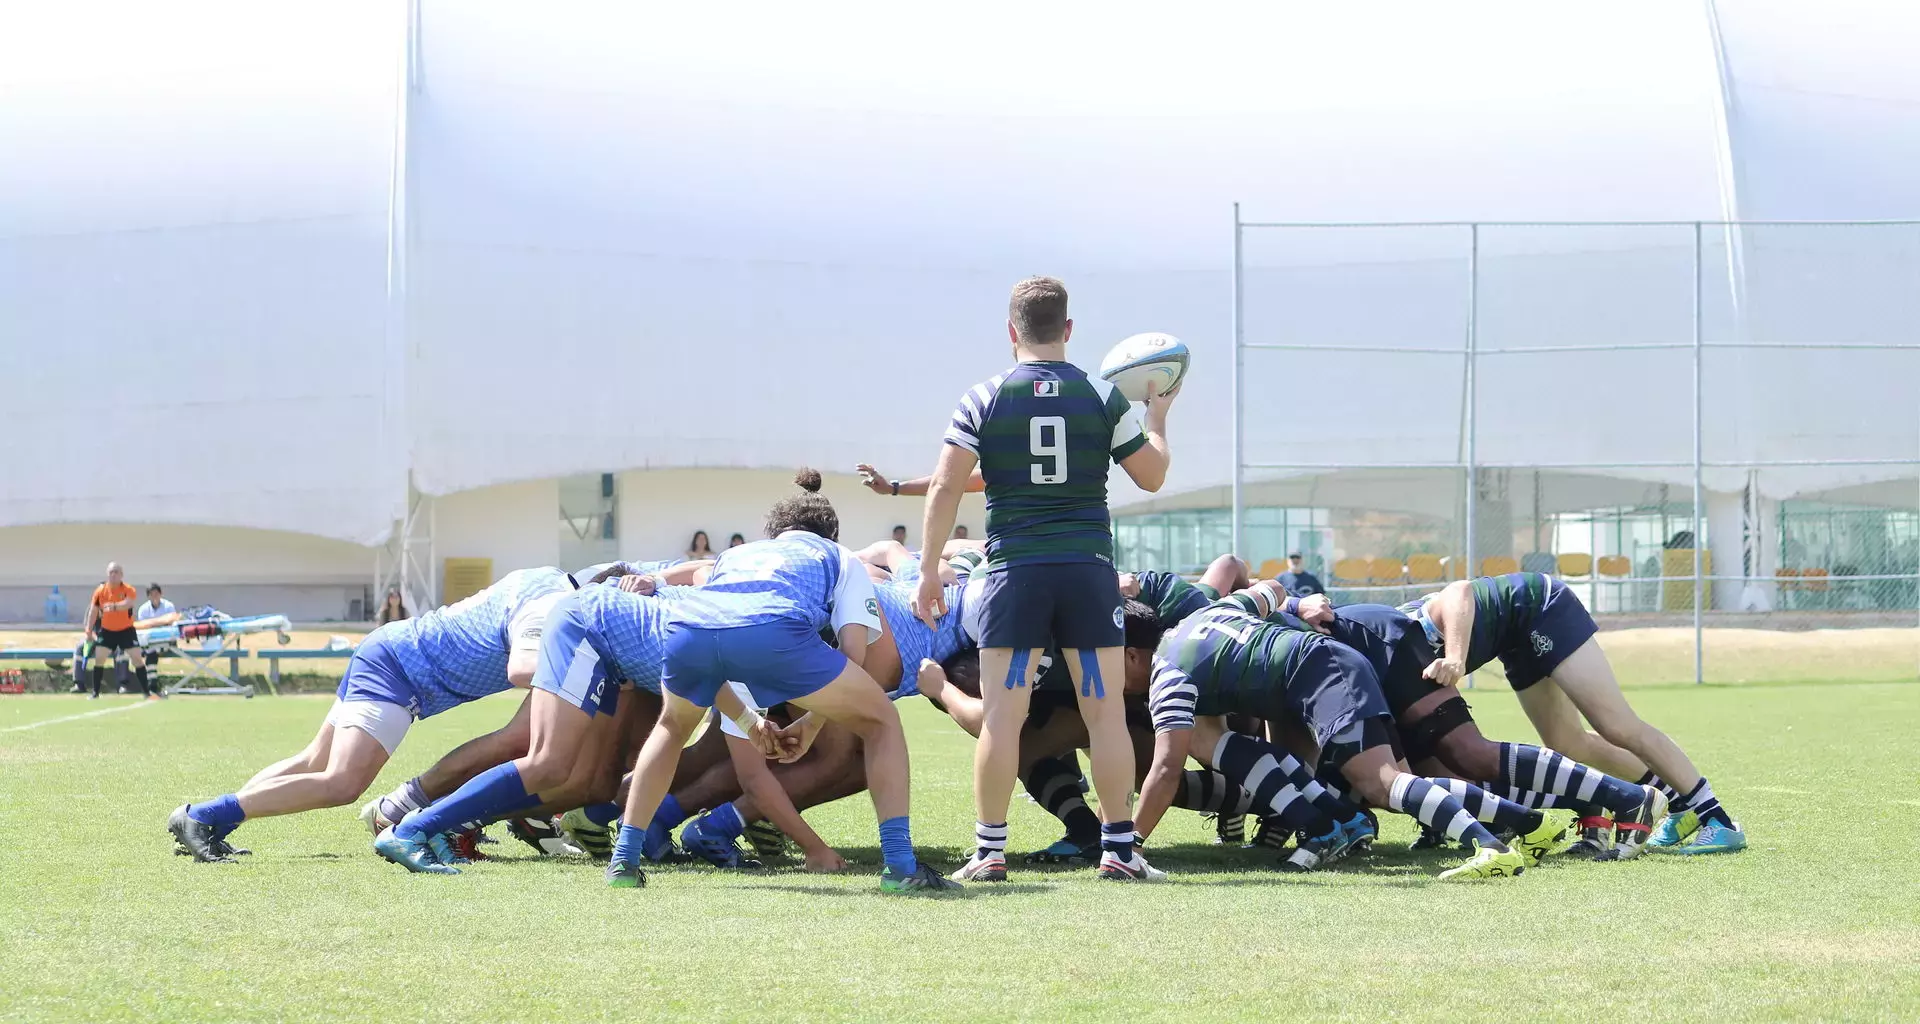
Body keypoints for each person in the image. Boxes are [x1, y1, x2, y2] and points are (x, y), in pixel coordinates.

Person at [912, 275, 1176, 883]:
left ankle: (990, 852)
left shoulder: (982, 397)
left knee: (1003, 716)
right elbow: (1153, 476)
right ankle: (1119, 851)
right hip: (1087, 573)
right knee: (1105, 713)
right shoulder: (1103, 398)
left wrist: (929, 568)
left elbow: (947, 485)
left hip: (1015, 573)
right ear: (1069, 330)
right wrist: (1157, 416)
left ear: (1011, 332)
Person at [605, 471, 958, 892]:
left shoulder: (736, 555)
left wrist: (753, 724)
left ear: (774, 533)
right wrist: (810, 725)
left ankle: (623, 862)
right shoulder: (839, 556)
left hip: (687, 632)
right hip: (774, 629)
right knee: (881, 721)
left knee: (671, 728)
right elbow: (853, 654)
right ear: (831, 533)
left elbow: (718, 643)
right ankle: (901, 867)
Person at [1129, 581, 1543, 881]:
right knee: (1392, 785)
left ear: (1131, 654)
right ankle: (1529, 823)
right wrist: (1296, 602)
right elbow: (1271, 588)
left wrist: (1128, 844)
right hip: (1328, 664)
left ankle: (1493, 847)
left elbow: (1166, 769)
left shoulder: (1167, 675)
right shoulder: (1205, 613)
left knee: (1383, 785)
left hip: (1323, 673)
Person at [168, 567, 575, 862]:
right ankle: (203, 816)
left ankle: (213, 823)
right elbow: (520, 670)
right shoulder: (552, 605)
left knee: (313, 761)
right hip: (401, 669)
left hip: (393, 652)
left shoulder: (552, 579)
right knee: (341, 783)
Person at [1287, 598, 1668, 860]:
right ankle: (1575, 801)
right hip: (1345, 669)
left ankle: (1628, 796)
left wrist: (1290, 603)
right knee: (1419, 781)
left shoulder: (1236, 617)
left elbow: (1236, 570)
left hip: (1378, 643)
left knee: (1469, 752)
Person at [1406, 571, 1747, 855]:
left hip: (1539, 607)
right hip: (1513, 639)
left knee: (1617, 724)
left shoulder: (1385, 638)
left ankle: (1717, 820)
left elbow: (1458, 591)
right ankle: (1678, 803)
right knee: (1566, 744)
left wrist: (1454, 656)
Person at [84, 563, 151, 699]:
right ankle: (95, 693)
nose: (113, 575)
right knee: (99, 659)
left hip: (126, 630)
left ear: (121, 575)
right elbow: (94, 610)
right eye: (111, 572)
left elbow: (129, 603)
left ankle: (146, 692)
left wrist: (114, 606)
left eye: (116, 572)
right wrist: (89, 630)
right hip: (107, 631)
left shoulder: (128, 589)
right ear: (107, 574)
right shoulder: (100, 591)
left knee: (137, 659)